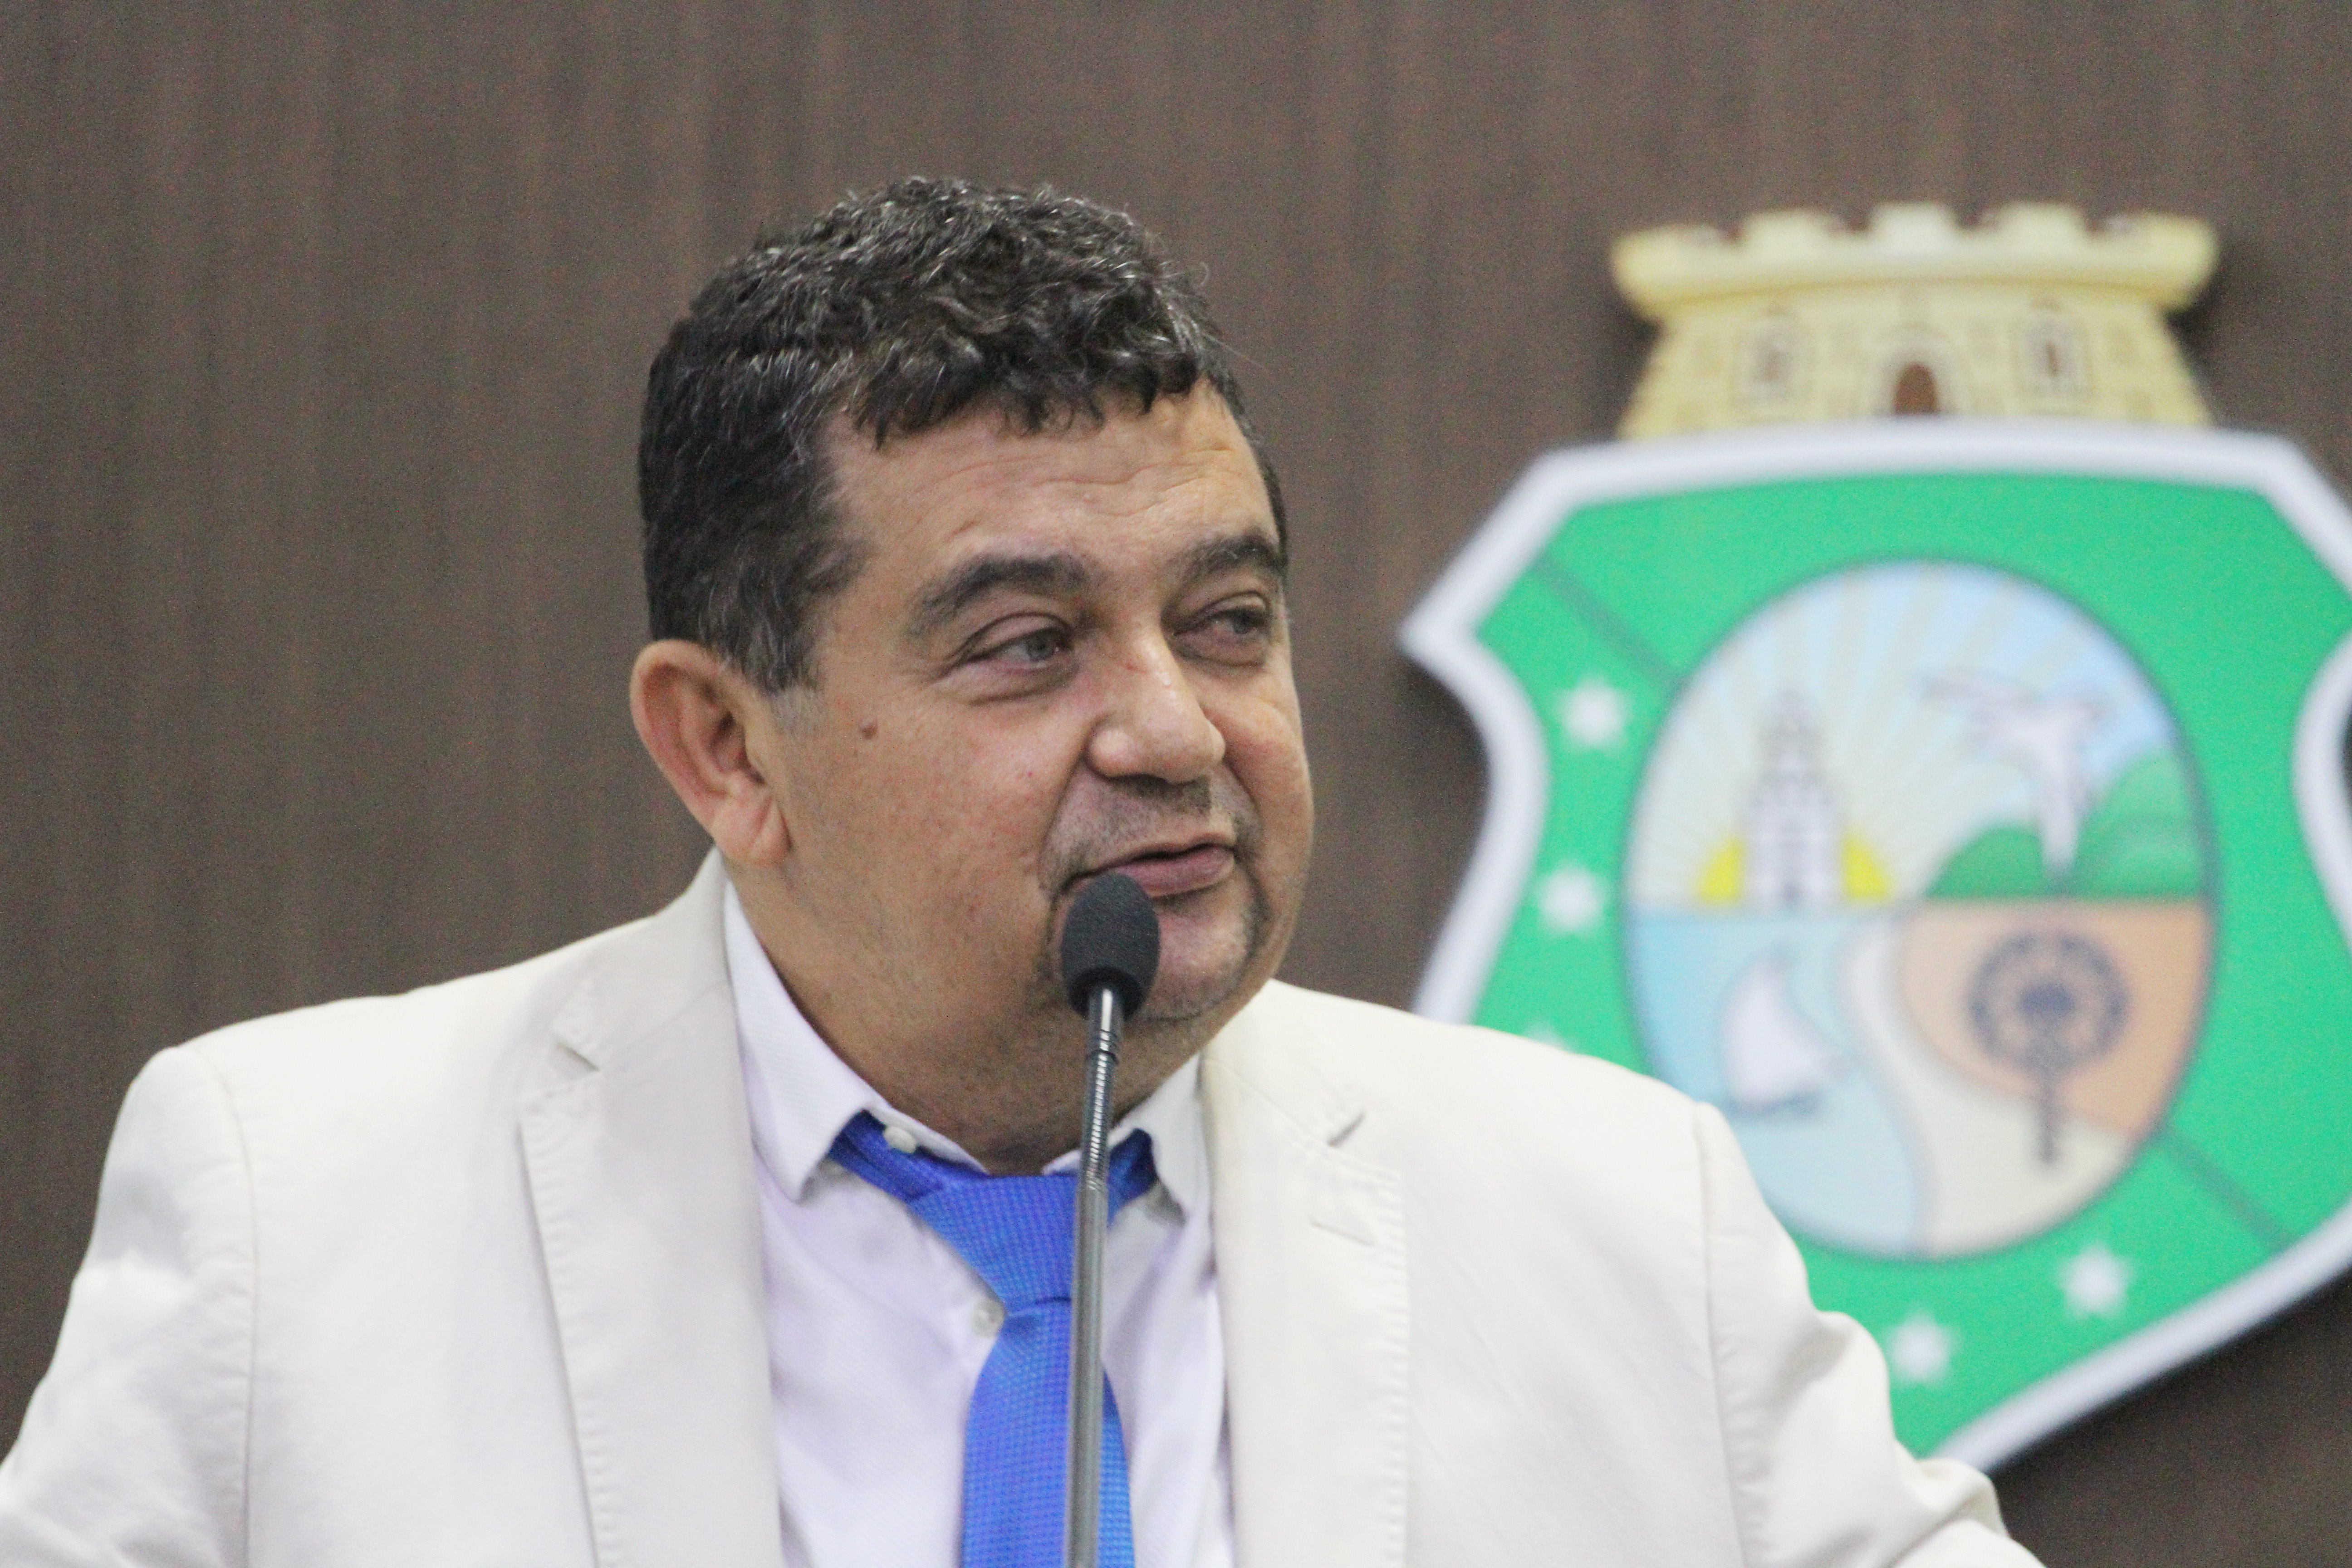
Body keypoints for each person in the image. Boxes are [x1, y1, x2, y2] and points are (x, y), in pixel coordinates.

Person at [0, 178, 2042, 1567]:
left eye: (1227, 623)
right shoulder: (293, 1212)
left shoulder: (1616, 1213)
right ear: (728, 750)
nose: (1173, 731)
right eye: (1027, 646)